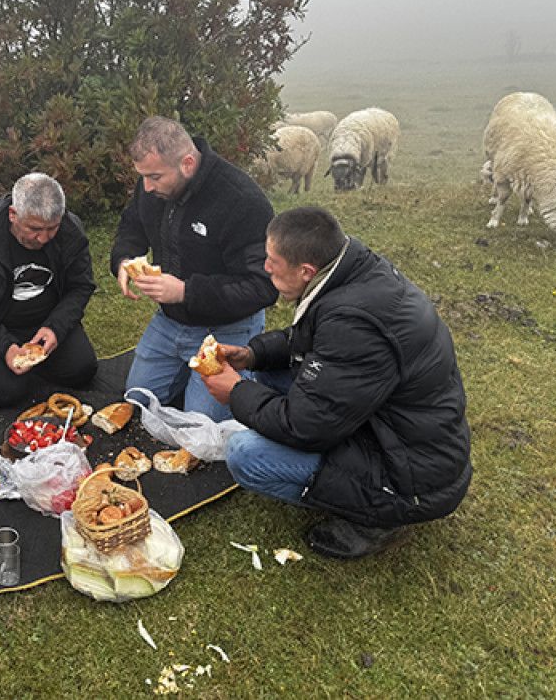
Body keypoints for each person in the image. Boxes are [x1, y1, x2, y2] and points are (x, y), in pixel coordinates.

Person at [199, 206, 472, 559]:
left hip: (411, 478)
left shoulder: (354, 324)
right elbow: (316, 339)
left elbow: (304, 427)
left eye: (273, 262)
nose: (265, 267)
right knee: (265, 373)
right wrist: (253, 355)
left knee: (245, 455)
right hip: (395, 431)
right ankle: (352, 488)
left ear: (305, 271)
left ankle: (377, 520)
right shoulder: (351, 272)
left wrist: (236, 392)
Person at [111, 116, 278, 420]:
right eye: (142, 177)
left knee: (200, 426)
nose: (146, 187)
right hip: (170, 321)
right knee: (136, 400)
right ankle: (188, 381)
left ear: (187, 164)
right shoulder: (152, 185)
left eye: (154, 177)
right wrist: (124, 259)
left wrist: (186, 292)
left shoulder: (241, 201)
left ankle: (247, 377)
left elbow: (263, 286)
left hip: (226, 328)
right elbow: (132, 225)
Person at [0, 172, 97, 408]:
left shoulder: (71, 232)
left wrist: (56, 327)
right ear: (13, 214)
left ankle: (31, 370)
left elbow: (81, 286)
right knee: (4, 393)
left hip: (46, 321)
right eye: (34, 228)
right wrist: (5, 345)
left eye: (52, 228)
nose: (43, 238)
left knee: (82, 369)